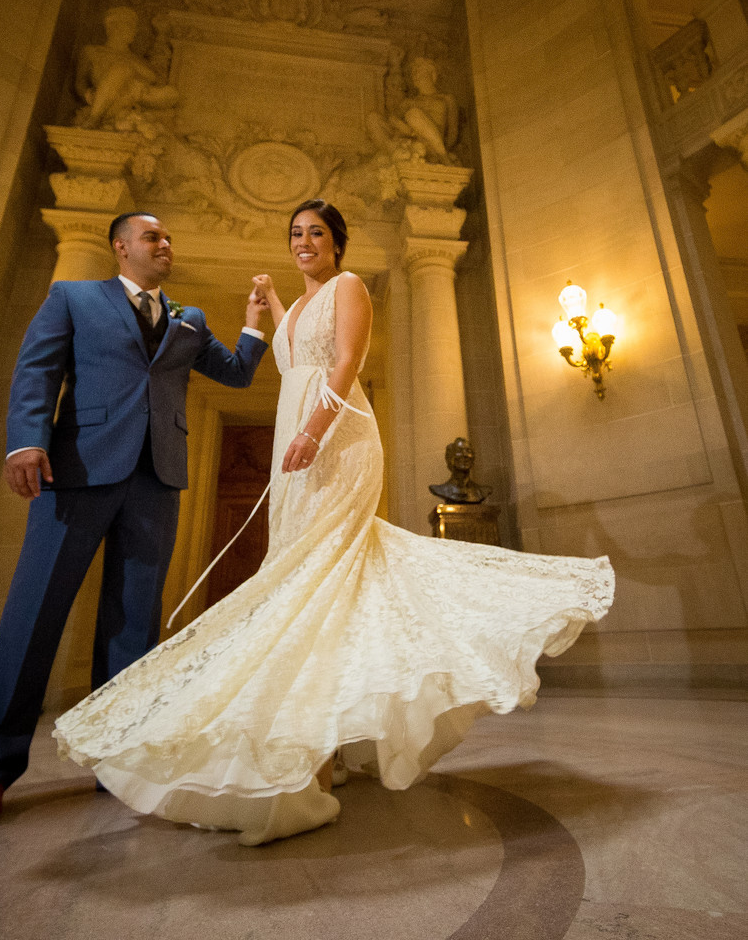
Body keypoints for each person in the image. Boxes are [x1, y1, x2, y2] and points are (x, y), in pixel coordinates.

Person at [54, 200, 614, 846]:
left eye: (315, 233)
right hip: (293, 458)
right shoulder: (296, 311)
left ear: (337, 244)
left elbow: (345, 364)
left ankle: (308, 766)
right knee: (328, 593)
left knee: (308, 592)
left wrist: (315, 433)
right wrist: (261, 312)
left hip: (338, 445)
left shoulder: (350, 288)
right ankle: (333, 750)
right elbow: (286, 365)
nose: (303, 242)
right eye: (295, 234)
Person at [0, 212, 268, 830]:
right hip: (77, 471)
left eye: (168, 237)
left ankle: (117, 764)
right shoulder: (73, 298)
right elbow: (37, 369)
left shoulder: (188, 317)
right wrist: (25, 441)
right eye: (152, 237)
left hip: (157, 478)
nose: (165, 243)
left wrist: (252, 328)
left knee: (133, 627)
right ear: (121, 248)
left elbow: (235, 373)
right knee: (34, 615)